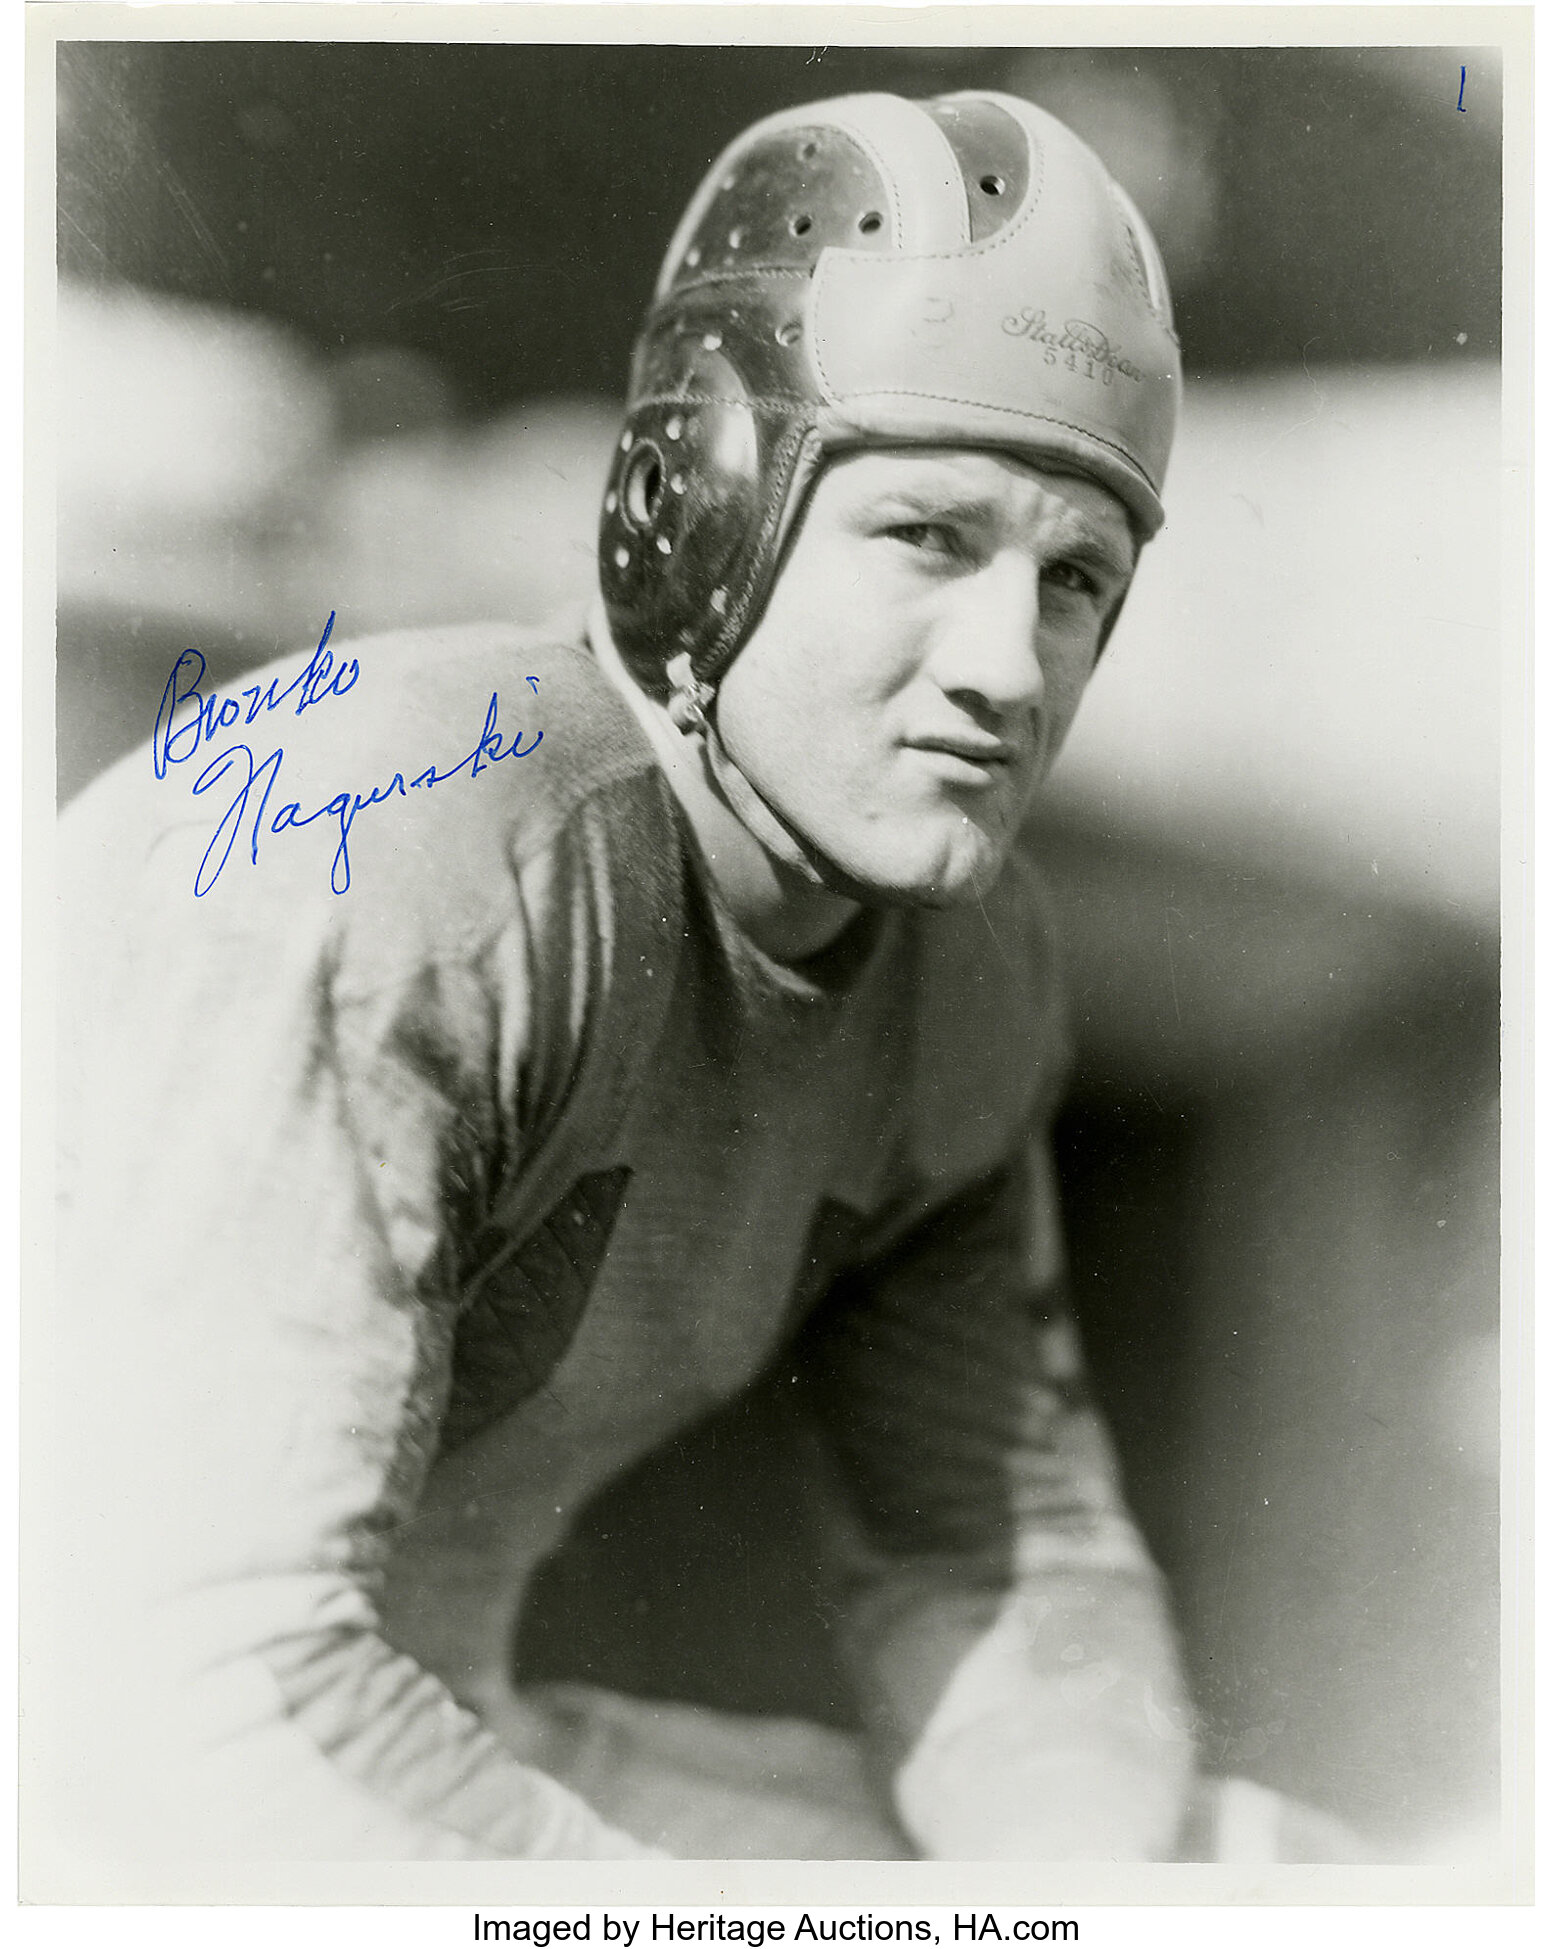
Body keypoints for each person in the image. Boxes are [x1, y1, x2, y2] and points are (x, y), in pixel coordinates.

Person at [45, 88, 1332, 1868]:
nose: (1004, 669)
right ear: (697, 511)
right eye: (928, 538)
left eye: (1070, 579)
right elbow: (180, 1692)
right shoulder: (391, 843)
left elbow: (991, 1557)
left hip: (370, 1748)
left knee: (1259, 1872)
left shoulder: (964, 963)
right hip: (95, 1753)